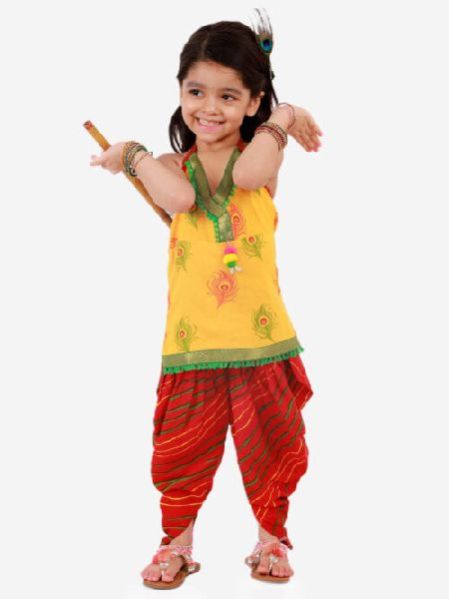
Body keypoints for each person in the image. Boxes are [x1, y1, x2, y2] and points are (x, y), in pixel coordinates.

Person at [89, 10, 322, 589]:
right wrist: (135, 154)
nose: (209, 107)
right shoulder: (172, 167)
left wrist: (285, 115)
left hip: (262, 341)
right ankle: (177, 543)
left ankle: (271, 538)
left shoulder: (262, 156)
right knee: (179, 452)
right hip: (193, 345)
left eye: (228, 95)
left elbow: (247, 179)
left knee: (273, 446)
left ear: (254, 101)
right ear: (179, 91)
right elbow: (180, 200)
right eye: (195, 91)